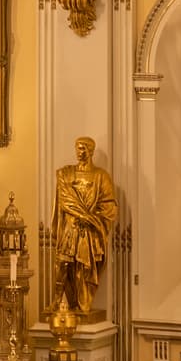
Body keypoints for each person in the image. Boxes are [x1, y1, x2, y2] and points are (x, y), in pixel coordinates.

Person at [52, 136, 120, 324]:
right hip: (70, 228)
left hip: (88, 231)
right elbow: (64, 200)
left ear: (90, 151)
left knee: (84, 268)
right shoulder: (66, 174)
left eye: (82, 148)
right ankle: (58, 301)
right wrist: (79, 215)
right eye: (77, 147)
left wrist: (92, 219)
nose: (78, 151)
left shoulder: (101, 176)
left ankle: (83, 303)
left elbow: (110, 206)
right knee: (62, 265)